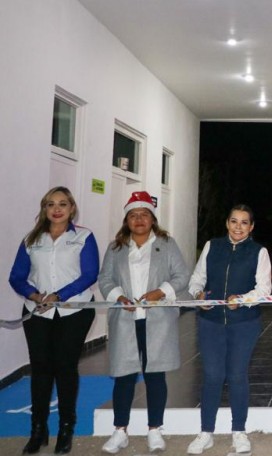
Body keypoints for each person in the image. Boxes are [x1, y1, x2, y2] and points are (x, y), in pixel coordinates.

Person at [8, 187, 99, 455]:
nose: (56, 209)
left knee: (65, 367)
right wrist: (34, 295)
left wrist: (59, 295)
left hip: (75, 311)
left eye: (62, 204)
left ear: (72, 208)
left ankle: (66, 428)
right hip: (37, 312)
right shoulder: (31, 239)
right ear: (44, 209)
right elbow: (16, 276)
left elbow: (89, 274)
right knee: (40, 369)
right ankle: (38, 430)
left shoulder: (83, 236)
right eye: (50, 204)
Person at [97, 191, 190, 454]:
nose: (139, 219)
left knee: (155, 375)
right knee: (123, 376)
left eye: (144, 214)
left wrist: (160, 291)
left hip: (157, 321)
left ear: (153, 219)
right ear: (126, 220)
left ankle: (154, 429)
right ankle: (120, 431)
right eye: (133, 215)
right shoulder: (115, 248)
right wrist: (118, 296)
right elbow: (105, 278)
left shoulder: (166, 244)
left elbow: (181, 275)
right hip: (125, 320)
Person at [186, 205, 272, 455]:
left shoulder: (259, 252)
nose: (238, 227)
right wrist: (198, 295)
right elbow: (196, 280)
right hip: (210, 322)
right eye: (234, 221)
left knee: (237, 375)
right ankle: (206, 432)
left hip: (245, 323)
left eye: (244, 222)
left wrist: (243, 299)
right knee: (212, 376)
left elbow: (264, 289)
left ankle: (239, 432)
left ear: (251, 227)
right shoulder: (212, 246)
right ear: (227, 223)